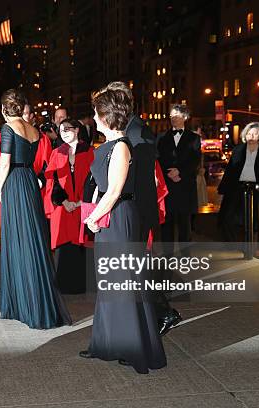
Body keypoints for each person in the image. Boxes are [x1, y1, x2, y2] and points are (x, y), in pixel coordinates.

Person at [78, 81, 166, 374]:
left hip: (119, 218)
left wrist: (92, 218)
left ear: (105, 116)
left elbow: (114, 191)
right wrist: (92, 209)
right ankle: (106, 342)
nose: (92, 118)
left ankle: (133, 347)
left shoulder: (121, 146)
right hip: (110, 216)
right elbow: (102, 188)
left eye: (95, 113)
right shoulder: (108, 145)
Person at [0, 89, 71, 329]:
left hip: (15, 182)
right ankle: (33, 302)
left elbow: (5, 162)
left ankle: (22, 304)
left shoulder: (8, 128)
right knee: (33, 239)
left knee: (18, 239)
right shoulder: (34, 130)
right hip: (28, 180)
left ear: (5, 109)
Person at [44, 118, 94, 294]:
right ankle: (64, 285)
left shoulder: (89, 151)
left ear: (77, 130)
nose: (64, 132)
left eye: (68, 129)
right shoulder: (57, 152)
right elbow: (53, 181)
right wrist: (63, 201)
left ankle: (84, 284)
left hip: (84, 205)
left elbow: (93, 181)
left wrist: (82, 201)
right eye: (61, 130)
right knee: (64, 244)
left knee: (83, 243)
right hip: (63, 207)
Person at [218, 122, 259, 241]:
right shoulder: (238, 150)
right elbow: (230, 170)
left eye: (255, 134)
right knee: (228, 218)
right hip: (237, 188)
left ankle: (250, 248)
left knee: (254, 222)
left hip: (256, 189)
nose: (252, 137)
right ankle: (233, 243)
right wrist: (224, 188)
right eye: (249, 134)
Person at [156, 104, 201, 255]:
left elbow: (195, 160)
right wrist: (168, 173)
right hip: (167, 186)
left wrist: (179, 171)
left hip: (185, 185)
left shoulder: (194, 138)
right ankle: (167, 254)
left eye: (177, 115)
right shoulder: (161, 137)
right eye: (171, 115)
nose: (173, 118)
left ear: (185, 118)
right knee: (166, 223)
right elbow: (157, 159)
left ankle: (185, 255)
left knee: (184, 223)